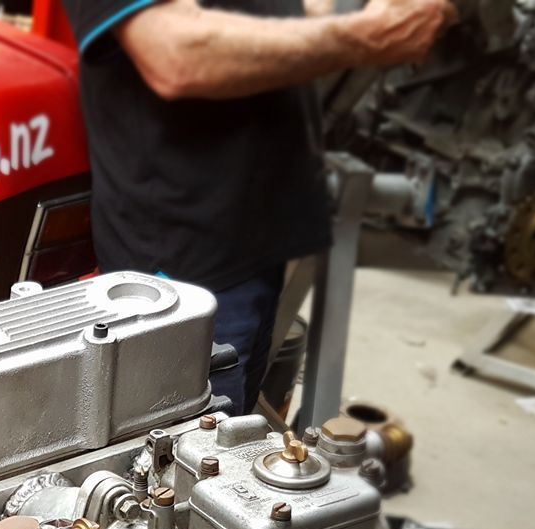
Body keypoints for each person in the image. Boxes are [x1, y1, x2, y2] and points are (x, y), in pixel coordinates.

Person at [60, 0, 454, 529]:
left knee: (242, 461)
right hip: (187, 256)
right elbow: (175, 54)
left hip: (258, 238)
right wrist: (361, 35)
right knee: (185, 498)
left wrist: (342, 15)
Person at [60, 0, 455, 417]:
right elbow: (177, 54)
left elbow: (286, 10)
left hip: (253, 249)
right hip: (185, 272)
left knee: (237, 435)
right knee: (185, 465)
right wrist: (368, 34)